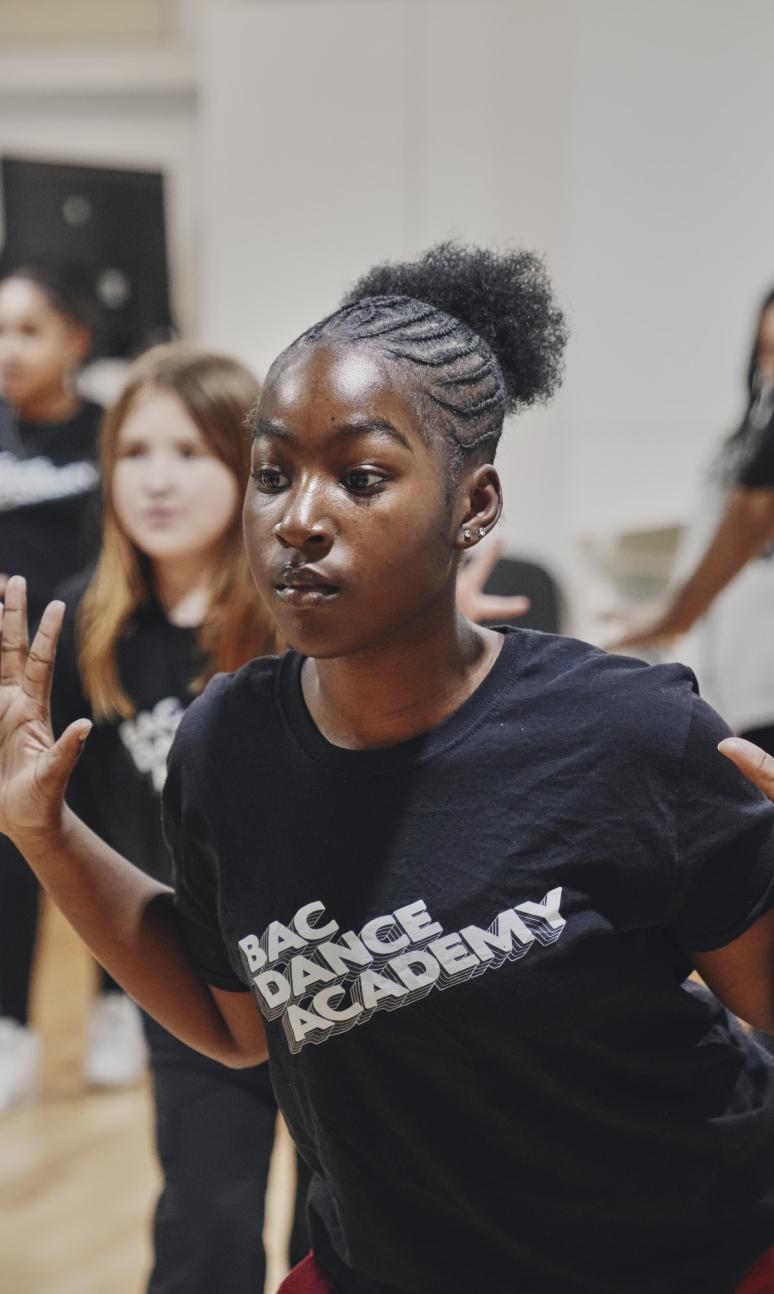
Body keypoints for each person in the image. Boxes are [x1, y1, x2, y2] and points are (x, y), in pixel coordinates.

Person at [2, 243, 774, 1293]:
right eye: (273, 475)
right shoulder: (227, 744)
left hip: (689, 1257)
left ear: (475, 504)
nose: (298, 518)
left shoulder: (630, 731)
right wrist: (44, 832)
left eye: (360, 478)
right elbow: (233, 1022)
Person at [51, 342, 309, 1294]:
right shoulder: (81, 626)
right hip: (191, 976)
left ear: (254, 469)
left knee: (338, 1229)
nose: (157, 481)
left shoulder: (309, 611)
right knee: (204, 1220)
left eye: (191, 453)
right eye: (134, 452)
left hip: (334, 968)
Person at [0, 262, 145, 1109]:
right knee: (10, 849)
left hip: (97, 671)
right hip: (8, 687)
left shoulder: (110, 433)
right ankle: (10, 1028)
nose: (8, 350)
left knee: (108, 834)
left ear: (76, 341)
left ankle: (118, 1009)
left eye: (28, 330)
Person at [614, 288, 774, 656]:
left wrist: (672, 617)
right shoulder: (737, 448)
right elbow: (714, 536)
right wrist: (672, 613)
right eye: (767, 352)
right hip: (726, 639)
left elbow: (752, 513)